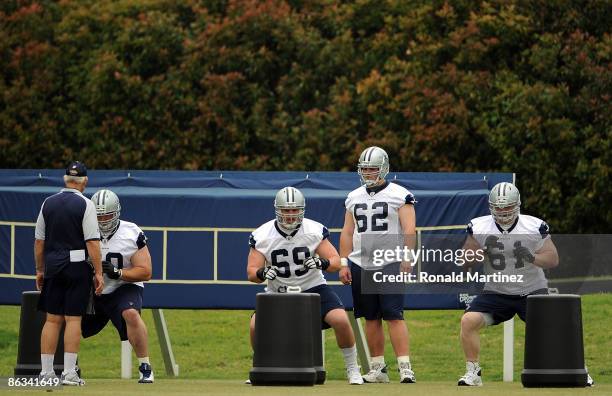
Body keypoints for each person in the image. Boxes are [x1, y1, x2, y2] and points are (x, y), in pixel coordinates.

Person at [247, 187, 364, 385]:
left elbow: (335, 261)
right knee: (255, 325)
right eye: (286, 210)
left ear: (302, 210)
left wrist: (322, 263)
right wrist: (263, 273)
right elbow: (251, 272)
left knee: (341, 320)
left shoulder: (313, 230)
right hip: (278, 292)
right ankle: (263, 365)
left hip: (313, 288)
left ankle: (353, 368)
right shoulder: (262, 234)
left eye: (294, 210)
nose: (290, 214)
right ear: (277, 210)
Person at [457, 182, 562, 386]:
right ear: (491, 206)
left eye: (507, 207)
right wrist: (476, 254)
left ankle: (574, 369)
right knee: (468, 321)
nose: (503, 212)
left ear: (517, 205)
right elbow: (465, 259)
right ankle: (473, 372)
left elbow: (553, 259)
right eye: (498, 207)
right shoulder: (479, 226)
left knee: (554, 328)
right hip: (496, 292)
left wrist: (532, 257)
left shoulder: (534, 226)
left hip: (532, 290)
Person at [339, 146, 417, 383]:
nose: (368, 173)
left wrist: (407, 256)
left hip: (390, 261)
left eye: (373, 168)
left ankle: (405, 367)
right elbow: (347, 232)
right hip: (361, 262)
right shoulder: (353, 196)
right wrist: (344, 262)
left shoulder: (399, 194)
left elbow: (409, 229)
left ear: (384, 168)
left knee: (394, 315)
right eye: (365, 169)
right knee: (370, 317)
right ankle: (378, 368)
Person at [35, 161, 104, 386]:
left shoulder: (47, 203)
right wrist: (99, 273)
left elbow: (39, 241)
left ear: (65, 179)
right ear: (85, 181)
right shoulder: (86, 205)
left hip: (53, 266)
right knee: (73, 319)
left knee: (52, 320)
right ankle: (69, 373)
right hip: (77, 267)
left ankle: (46, 374)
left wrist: (39, 269)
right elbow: (93, 242)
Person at [81, 189, 154, 383]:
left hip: (123, 286)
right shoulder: (82, 230)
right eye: (99, 216)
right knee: (67, 316)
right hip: (92, 289)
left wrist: (119, 273)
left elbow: (146, 271)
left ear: (117, 213)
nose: (103, 221)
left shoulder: (131, 232)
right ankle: (69, 366)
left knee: (130, 313)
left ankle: (145, 366)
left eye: (107, 215)